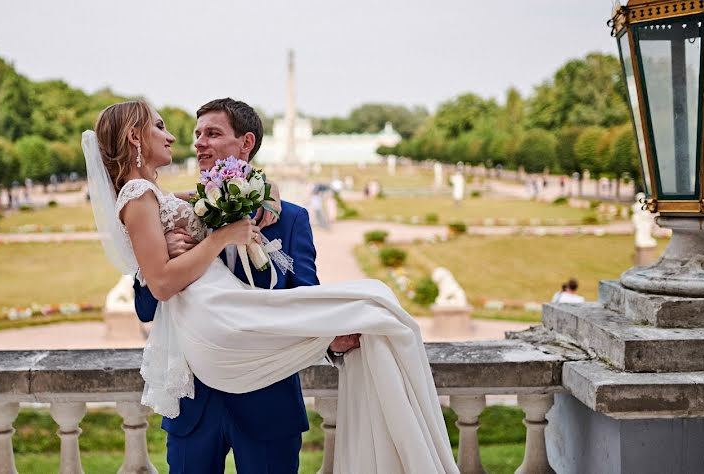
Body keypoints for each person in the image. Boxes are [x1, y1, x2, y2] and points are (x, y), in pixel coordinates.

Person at [86, 100, 456, 473]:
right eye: (197, 134)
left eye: (211, 134)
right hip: (195, 406)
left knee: (372, 301)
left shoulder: (290, 218)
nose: (196, 142)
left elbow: (304, 296)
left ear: (246, 143)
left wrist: (330, 339)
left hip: (268, 403)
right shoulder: (176, 213)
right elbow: (147, 308)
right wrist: (159, 262)